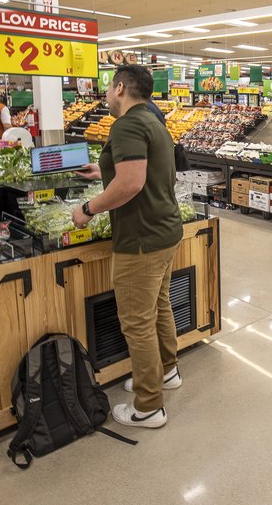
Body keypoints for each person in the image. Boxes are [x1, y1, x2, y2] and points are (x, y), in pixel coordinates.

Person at [71, 64, 183, 429]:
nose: (105, 95)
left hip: (140, 240)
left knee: (136, 323)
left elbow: (131, 184)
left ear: (120, 88)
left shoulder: (128, 124)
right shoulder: (154, 121)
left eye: (107, 88)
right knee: (159, 307)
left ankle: (149, 406)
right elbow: (137, 171)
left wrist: (88, 209)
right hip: (165, 231)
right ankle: (166, 373)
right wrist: (102, 169)